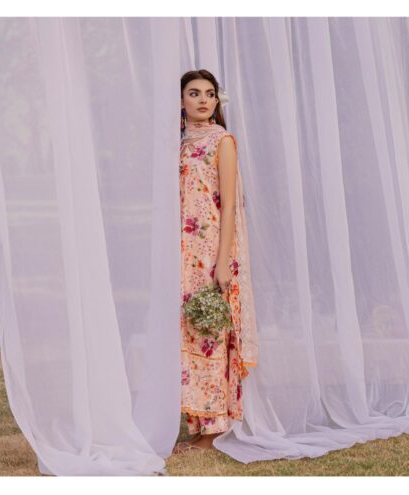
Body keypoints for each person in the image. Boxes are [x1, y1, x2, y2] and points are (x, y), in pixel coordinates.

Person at [174, 70, 258, 453]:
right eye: (195, 94)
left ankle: (213, 428)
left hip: (211, 253)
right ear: (181, 101)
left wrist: (222, 262)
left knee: (210, 333)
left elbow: (228, 208)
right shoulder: (177, 145)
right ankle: (196, 420)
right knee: (189, 331)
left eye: (210, 94)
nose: (204, 100)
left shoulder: (221, 142)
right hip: (181, 253)